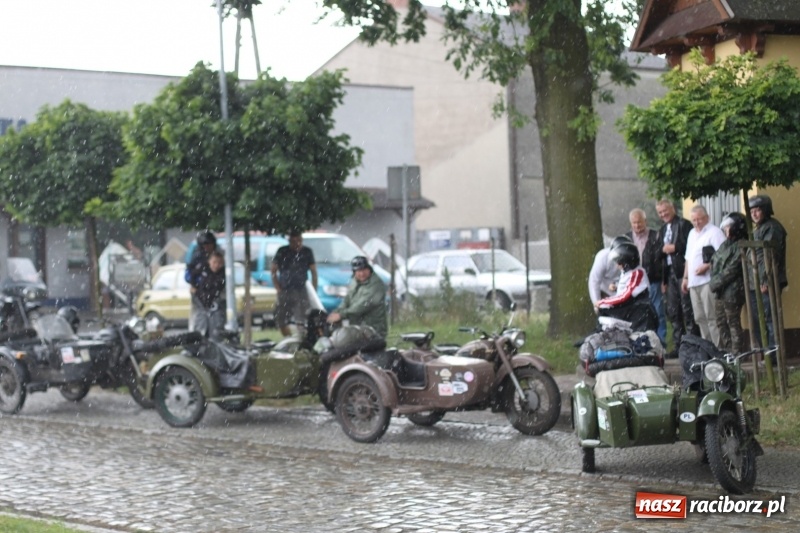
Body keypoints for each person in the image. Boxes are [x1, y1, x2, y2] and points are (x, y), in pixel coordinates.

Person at [656, 199, 698, 357]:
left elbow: (690, 246)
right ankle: (679, 345)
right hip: (670, 273)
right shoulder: (662, 229)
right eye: (660, 213)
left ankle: (693, 345)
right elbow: (660, 256)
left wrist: (676, 248)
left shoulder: (684, 224)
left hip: (683, 272)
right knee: (673, 311)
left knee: (688, 310)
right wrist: (664, 281)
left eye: (665, 211)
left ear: (672, 208)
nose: (663, 214)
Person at [682, 205, 726, 346]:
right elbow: (688, 257)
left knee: (711, 316)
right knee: (699, 317)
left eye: (699, 219)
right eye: (694, 220)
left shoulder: (715, 232)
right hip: (693, 282)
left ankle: (718, 347)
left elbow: (722, 256)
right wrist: (685, 277)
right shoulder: (691, 233)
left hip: (707, 280)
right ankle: (707, 347)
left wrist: (707, 266)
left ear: (707, 218)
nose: (696, 223)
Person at [748, 194, 788, 349]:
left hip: (767, 281)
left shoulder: (772, 227)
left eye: (757, 210)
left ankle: (774, 354)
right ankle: (767, 353)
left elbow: (769, 256)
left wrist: (765, 280)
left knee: (769, 318)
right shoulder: (759, 229)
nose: (754, 214)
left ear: (765, 210)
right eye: (751, 212)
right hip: (754, 281)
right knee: (760, 319)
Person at [594, 241, 658, 332]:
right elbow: (628, 287)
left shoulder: (637, 273)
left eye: (619, 262)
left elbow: (624, 296)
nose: (617, 265)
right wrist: (616, 287)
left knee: (606, 310)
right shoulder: (628, 272)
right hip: (633, 307)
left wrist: (603, 302)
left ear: (626, 262)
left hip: (640, 310)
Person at [626, 208, 667, 344]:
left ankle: (660, 342)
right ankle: (642, 343)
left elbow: (663, 260)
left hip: (653, 280)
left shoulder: (656, 236)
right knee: (638, 314)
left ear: (645, 221)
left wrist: (664, 281)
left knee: (658, 312)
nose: (637, 225)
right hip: (634, 283)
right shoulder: (627, 238)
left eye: (639, 222)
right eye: (634, 223)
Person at [709, 213, 747, 354]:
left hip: (733, 290)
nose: (725, 230)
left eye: (728, 227)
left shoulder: (742, 245)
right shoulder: (725, 245)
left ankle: (737, 352)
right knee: (721, 321)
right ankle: (727, 350)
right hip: (720, 290)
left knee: (733, 321)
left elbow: (733, 268)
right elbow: (715, 261)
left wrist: (715, 283)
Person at [327, 256, 388, 338]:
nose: (362, 274)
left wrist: (341, 315)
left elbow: (362, 305)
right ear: (354, 272)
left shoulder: (376, 284)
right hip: (357, 327)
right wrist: (337, 311)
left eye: (364, 270)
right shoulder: (354, 281)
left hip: (373, 329)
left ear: (369, 269)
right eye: (359, 271)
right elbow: (347, 300)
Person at [271, 231, 318, 337]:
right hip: (285, 289)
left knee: (301, 319)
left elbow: (313, 271)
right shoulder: (282, 251)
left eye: (299, 241)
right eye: (293, 241)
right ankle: (288, 338)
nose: (296, 243)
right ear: (289, 241)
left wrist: (313, 289)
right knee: (280, 318)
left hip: (301, 290)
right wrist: (278, 288)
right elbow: (273, 270)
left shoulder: (307, 252)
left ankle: (301, 340)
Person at [185, 230, 218, 332]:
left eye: (209, 244)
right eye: (205, 245)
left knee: (214, 319)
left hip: (213, 292)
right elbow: (188, 275)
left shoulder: (216, 255)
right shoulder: (196, 257)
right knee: (200, 317)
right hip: (199, 292)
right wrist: (196, 285)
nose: (207, 247)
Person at [588, 236, 631, 307]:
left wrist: (617, 285)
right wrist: (597, 302)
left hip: (623, 290)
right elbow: (594, 281)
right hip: (605, 291)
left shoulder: (631, 257)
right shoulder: (602, 258)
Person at [193, 250, 226, 338]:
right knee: (200, 327)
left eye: (219, 263)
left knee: (216, 329)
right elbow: (192, 276)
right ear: (209, 262)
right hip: (201, 303)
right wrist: (194, 288)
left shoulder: (223, 274)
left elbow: (219, 289)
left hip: (215, 305)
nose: (216, 265)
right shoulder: (203, 269)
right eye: (214, 262)